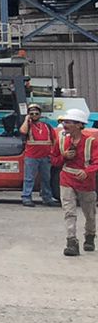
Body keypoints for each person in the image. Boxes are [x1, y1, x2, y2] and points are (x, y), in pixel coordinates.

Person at [53, 108, 97, 256]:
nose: (65, 125)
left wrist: (87, 172)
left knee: (89, 214)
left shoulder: (91, 142)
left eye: (68, 122)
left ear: (79, 124)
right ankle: (71, 242)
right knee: (69, 212)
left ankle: (90, 236)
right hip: (66, 179)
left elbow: (96, 161)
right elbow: (54, 160)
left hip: (86, 182)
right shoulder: (61, 140)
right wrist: (64, 156)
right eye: (64, 122)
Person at [19, 104, 60, 207]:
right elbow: (23, 131)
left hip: (45, 157)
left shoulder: (47, 126)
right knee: (29, 178)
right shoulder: (28, 126)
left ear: (40, 114)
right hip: (31, 157)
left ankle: (47, 198)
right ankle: (26, 198)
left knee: (46, 179)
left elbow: (54, 140)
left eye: (36, 113)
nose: (34, 115)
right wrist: (26, 120)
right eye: (32, 113)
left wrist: (53, 153)